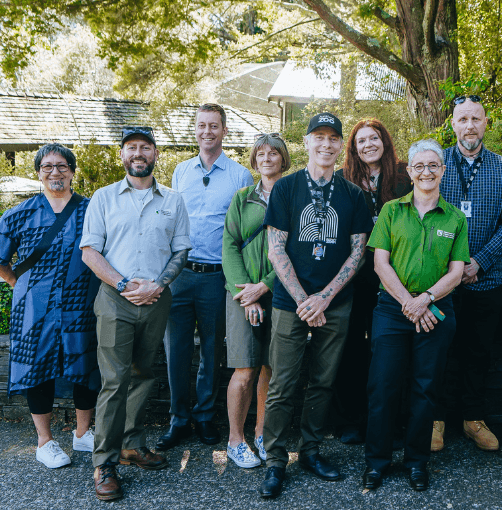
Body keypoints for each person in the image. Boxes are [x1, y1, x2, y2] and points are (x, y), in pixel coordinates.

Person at [258, 112, 371, 499]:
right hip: (292, 302)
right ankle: (275, 460)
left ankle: (310, 450)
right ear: (306, 142)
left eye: (332, 138)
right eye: (318, 137)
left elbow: (357, 253)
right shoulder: (286, 189)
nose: (325, 144)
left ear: (341, 146)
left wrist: (325, 297)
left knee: (323, 381)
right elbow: (276, 249)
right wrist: (305, 299)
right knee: (283, 383)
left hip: (335, 303)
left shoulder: (354, 195)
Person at [80, 127, 191, 501]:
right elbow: (90, 252)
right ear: (123, 155)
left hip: (157, 299)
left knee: (144, 374)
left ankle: (131, 445)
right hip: (115, 300)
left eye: (145, 147)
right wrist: (125, 284)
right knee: (114, 380)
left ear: (156, 154)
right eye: (131, 148)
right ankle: (104, 463)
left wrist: (158, 284)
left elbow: (180, 251)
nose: (138, 153)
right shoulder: (104, 198)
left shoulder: (173, 200)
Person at [0, 143, 100, 469]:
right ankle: (44, 441)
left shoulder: (92, 209)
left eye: (61, 166)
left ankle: (82, 432)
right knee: (37, 370)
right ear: (38, 173)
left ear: (73, 171)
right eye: (47, 166)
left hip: (80, 304)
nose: (55, 172)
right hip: (34, 308)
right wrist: (15, 282)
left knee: (85, 367)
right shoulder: (22, 212)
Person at [363, 139, 469, 492]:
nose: (426, 171)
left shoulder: (454, 217)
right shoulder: (392, 211)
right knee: (383, 386)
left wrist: (423, 300)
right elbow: (380, 263)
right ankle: (377, 463)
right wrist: (409, 303)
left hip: (435, 310)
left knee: (425, 389)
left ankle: (417, 462)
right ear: (409, 172)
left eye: (433, 165)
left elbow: (456, 273)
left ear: (442, 170)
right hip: (393, 310)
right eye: (419, 166)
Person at [157, 104, 254, 451]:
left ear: (224, 131)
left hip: (217, 277)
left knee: (212, 353)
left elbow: (245, 230)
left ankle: (203, 417)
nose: (207, 131)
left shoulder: (241, 175)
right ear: (195, 130)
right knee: (176, 351)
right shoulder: (181, 172)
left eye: (214, 126)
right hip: (181, 274)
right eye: (202, 126)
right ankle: (178, 420)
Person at [435, 95, 502, 452]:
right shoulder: (435, 164)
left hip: (486, 279)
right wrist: (456, 266)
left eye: (476, 119)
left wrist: (479, 262)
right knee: (441, 350)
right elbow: (424, 214)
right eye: (463, 119)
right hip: (441, 280)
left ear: (486, 123)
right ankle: (436, 419)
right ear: (453, 124)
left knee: (478, 351)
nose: (469, 125)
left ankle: (473, 419)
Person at [333, 118, 412, 444]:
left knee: (389, 351)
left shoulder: (405, 176)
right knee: (351, 347)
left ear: (384, 141)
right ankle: (351, 420)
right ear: (353, 148)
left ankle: (391, 422)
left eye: (374, 138)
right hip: (354, 278)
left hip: (395, 278)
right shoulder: (342, 180)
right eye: (361, 140)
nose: (368, 145)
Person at [221, 133, 289, 468]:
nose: (266, 158)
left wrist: (265, 286)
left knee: (271, 367)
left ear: (283, 158)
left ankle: (262, 432)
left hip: (281, 294)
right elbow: (230, 245)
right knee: (245, 368)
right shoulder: (242, 198)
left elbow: (298, 251)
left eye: (273, 152)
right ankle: (235, 440)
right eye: (260, 153)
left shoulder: (294, 197)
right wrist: (245, 294)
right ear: (254, 160)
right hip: (241, 295)